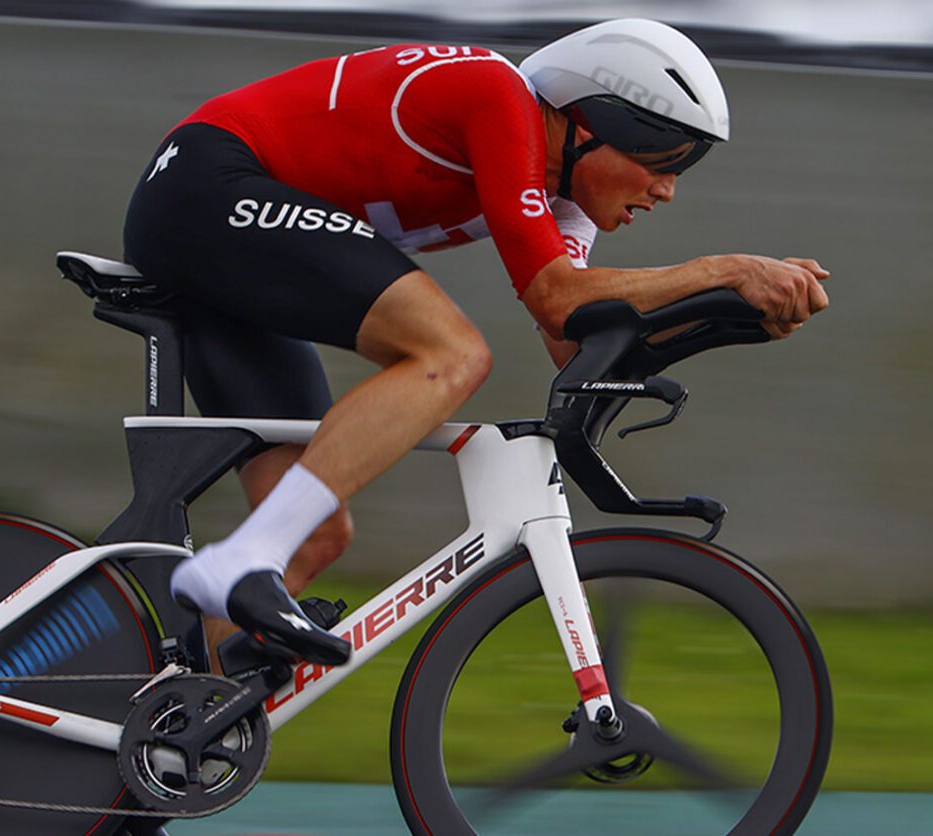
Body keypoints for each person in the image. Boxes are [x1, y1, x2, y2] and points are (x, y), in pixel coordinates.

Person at [122, 18, 830, 667]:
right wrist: (723, 271)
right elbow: (556, 296)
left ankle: (166, 721)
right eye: (665, 160)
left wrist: (730, 319)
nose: (669, 190)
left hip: (234, 253)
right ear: (594, 124)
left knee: (312, 534)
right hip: (205, 182)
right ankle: (241, 562)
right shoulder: (497, 96)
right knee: (452, 355)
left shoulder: (564, 201)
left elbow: (572, 339)